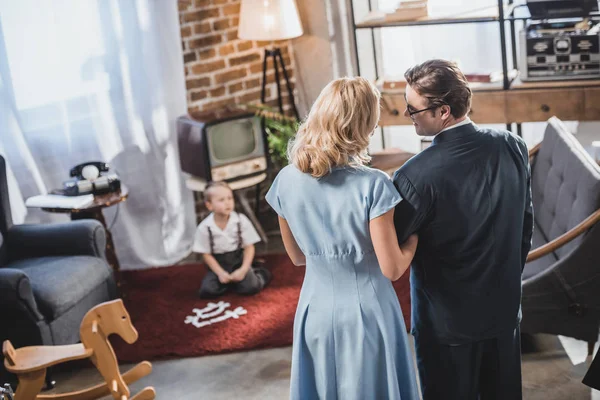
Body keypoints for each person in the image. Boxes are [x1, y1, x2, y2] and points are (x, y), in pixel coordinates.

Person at [266, 77, 419, 400]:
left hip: (314, 310)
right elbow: (392, 268)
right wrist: (414, 239)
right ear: (360, 126)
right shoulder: (374, 185)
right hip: (369, 313)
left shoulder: (285, 180)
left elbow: (296, 257)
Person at [392, 59, 533, 399]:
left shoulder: (414, 176)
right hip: (503, 311)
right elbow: (525, 226)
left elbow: (391, 246)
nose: (409, 117)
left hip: (447, 326)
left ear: (443, 111)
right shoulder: (513, 145)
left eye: (413, 110)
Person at [193, 181, 272, 298]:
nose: (227, 203)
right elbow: (206, 254)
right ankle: (230, 281)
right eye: (221, 200)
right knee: (207, 291)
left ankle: (257, 273)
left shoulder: (240, 220)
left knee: (252, 287)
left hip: (239, 261)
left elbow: (249, 247)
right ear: (209, 205)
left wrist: (243, 269)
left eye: (230, 198)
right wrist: (220, 273)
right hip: (219, 265)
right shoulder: (204, 227)